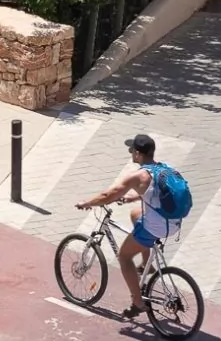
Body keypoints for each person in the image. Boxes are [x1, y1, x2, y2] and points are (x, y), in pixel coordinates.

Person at [78, 132, 183, 321]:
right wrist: (133, 197)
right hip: (175, 222)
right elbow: (160, 195)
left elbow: (106, 196)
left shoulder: (138, 176)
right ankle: (146, 264)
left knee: (124, 257)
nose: (130, 153)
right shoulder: (163, 169)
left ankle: (137, 302)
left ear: (137, 154)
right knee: (136, 214)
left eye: (131, 150)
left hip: (158, 225)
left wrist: (87, 203)